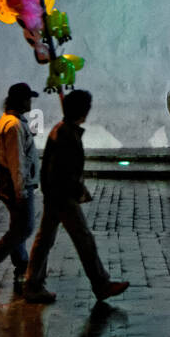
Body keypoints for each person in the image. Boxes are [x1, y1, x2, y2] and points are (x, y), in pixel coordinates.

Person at [24, 89, 129, 304]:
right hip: (63, 197)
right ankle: (101, 284)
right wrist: (76, 190)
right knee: (83, 240)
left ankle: (33, 284)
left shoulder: (61, 130)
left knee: (45, 239)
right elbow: (63, 170)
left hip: (56, 195)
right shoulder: (66, 135)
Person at [0, 81, 40, 290]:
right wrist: (20, 189)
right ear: (21, 101)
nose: (31, 102)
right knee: (25, 227)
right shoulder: (13, 126)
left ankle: (22, 266)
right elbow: (16, 161)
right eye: (28, 98)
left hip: (11, 184)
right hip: (15, 185)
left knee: (18, 227)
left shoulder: (12, 122)